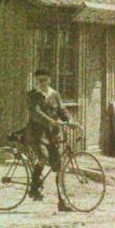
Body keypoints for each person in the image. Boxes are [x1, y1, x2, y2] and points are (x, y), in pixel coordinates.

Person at [23, 67, 73, 211]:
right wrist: (50, 121)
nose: (42, 83)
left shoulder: (54, 95)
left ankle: (62, 201)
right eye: (39, 80)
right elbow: (35, 113)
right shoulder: (32, 95)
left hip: (53, 135)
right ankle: (34, 186)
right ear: (36, 81)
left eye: (45, 80)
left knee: (59, 167)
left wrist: (70, 120)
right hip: (36, 134)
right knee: (43, 157)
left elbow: (62, 110)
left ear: (49, 80)